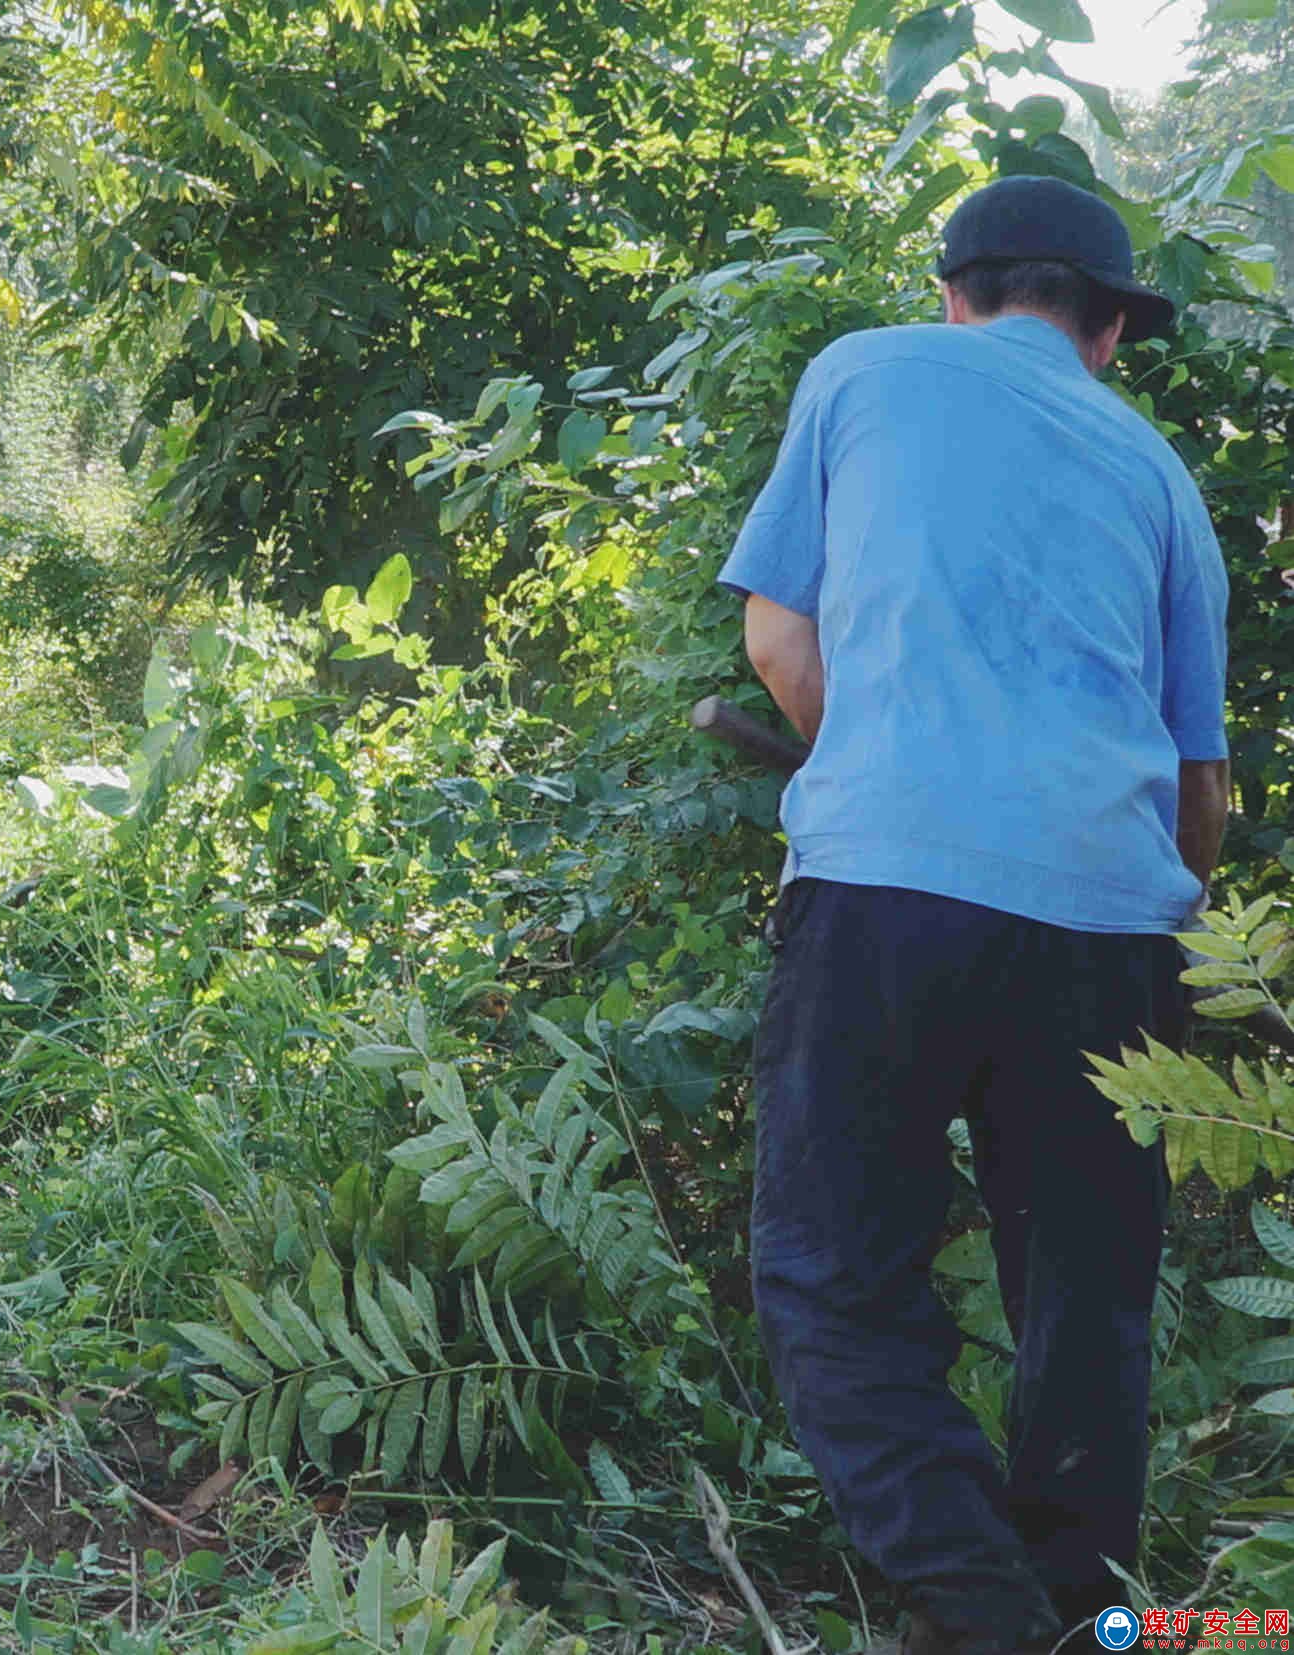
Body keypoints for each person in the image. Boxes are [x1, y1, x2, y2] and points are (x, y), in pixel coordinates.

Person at [719, 174, 1229, 1653]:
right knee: (1085, 1286)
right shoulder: (1158, 480)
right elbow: (1196, 789)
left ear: (950, 291)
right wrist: (1175, 940)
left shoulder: (863, 369)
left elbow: (776, 635)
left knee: (832, 1269)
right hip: (1110, 919)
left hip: (884, 889)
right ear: (1111, 332)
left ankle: (970, 1600)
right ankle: (1076, 1606)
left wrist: (884, 768)